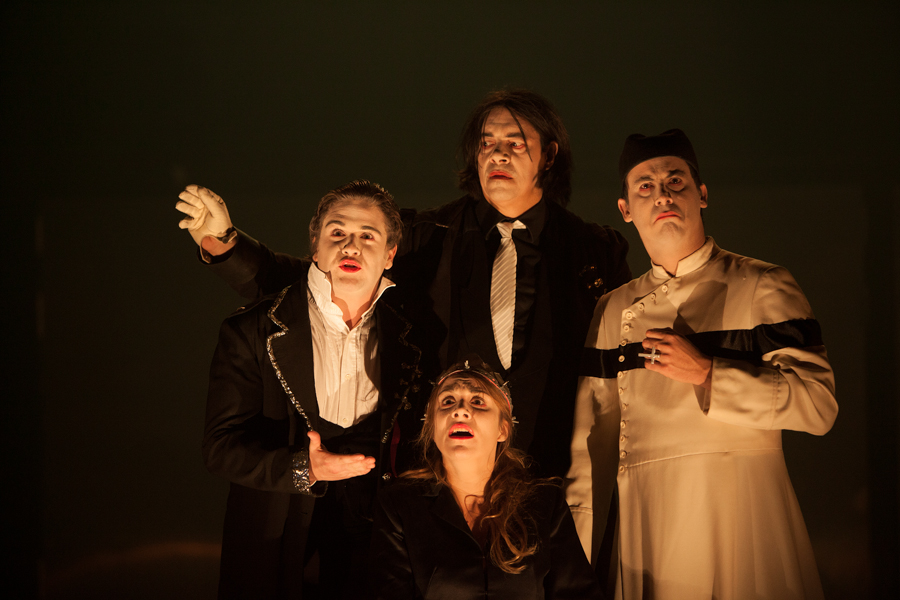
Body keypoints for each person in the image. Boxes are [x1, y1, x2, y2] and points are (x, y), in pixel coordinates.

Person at [176, 89, 631, 479]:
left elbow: (626, 359)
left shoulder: (595, 250)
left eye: (515, 142)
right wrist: (226, 245)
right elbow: (317, 283)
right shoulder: (428, 236)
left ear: (549, 155)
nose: (498, 154)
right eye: (487, 143)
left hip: (558, 474)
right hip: (438, 477)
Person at [565, 129, 838, 599]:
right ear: (625, 209)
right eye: (645, 187)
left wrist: (709, 373)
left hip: (740, 517)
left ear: (702, 194)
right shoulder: (612, 309)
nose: (662, 195)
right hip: (646, 525)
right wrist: (577, 566)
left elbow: (818, 406)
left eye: (676, 181)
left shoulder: (762, 283)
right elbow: (589, 448)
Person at [202, 181, 430, 599]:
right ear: (316, 246)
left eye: (368, 236)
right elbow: (220, 449)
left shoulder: (412, 336)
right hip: (277, 539)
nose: (351, 246)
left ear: (390, 254)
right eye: (337, 232)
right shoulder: (253, 330)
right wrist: (303, 469)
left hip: (376, 546)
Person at [371, 358, 602, 599]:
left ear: (503, 429)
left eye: (477, 401)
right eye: (447, 401)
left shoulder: (544, 504)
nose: (460, 410)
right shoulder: (399, 506)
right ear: (432, 427)